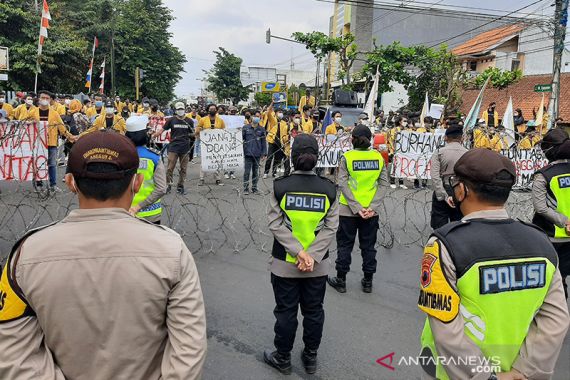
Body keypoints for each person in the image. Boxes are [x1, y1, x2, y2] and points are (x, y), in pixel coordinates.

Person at [0, 131, 207, 379]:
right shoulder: (172, 250)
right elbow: (189, 351)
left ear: (70, 182)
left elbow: (13, 353)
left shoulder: (25, 255)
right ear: (137, 182)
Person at [418, 148, 570, 380]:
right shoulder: (541, 242)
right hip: (517, 370)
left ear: (462, 190)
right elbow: (555, 319)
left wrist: (486, 377)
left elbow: (446, 326)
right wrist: (525, 371)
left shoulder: (445, 244)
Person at [265, 134, 338, 375]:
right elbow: (331, 226)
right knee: (314, 311)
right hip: (317, 266)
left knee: (286, 312)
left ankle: (283, 357)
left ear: (293, 157)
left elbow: (276, 225)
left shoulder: (281, 186)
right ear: (317, 158)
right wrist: (312, 256)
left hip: (285, 264)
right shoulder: (328, 189)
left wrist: (298, 253)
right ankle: (310, 357)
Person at [327, 125, 385, 294]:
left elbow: (342, 183)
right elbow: (383, 184)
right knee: (368, 246)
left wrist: (356, 207)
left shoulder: (347, 157)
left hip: (348, 210)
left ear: (353, 139)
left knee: (345, 245)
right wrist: (371, 207)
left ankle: (341, 280)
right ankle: (368, 281)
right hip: (371, 211)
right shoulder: (378, 157)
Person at [532, 128, 570, 298]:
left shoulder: (543, 175)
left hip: (551, 235)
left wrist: (564, 222)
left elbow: (540, 208)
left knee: (554, 281)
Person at [124, 115, 168, 224]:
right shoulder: (154, 157)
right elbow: (161, 188)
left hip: (124, 211)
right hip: (150, 214)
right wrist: (138, 207)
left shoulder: (120, 156)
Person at [31, 90, 77, 191]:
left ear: (50, 100)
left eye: (47, 98)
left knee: (52, 164)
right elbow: (23, 124)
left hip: (51, 142)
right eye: (43, 98)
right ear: (39, 99)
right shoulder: (32, 112)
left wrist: (70, 137)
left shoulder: (54, 113)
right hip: (37, 143)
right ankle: (38, 184)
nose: (44, 100)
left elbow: (62, 128)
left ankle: (53, 185)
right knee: (37, 164)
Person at [429, 124, 467, 229]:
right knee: (458, 226)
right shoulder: (467, 154)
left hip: (443, 187)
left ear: (446, 137)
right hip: (460, 190)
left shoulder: (439, 152)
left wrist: (443, 196)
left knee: (439, 227)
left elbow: (435, 176)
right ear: (462, 138)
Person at [155, 102, 195, 194]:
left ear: (184, 109)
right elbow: (162, 130)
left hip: (185, 147)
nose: (180, 111)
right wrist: (154, 135)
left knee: (183, 169)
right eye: (178, 109)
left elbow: (193, 133)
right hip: (173, 147)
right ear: (176, 110)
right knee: (170, 168)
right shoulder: (171, 120)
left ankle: (180, 186)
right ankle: (168, 185)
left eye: (182, 109)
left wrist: (194, 134)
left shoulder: (189, 121)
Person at [196, 103, 226, 186]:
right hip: (205, 144)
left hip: (217, 144)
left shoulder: (220, 120)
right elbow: (197, 129)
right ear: (208, 110)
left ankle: (218, 178)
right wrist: (200, 131)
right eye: (211, 109)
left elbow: (224, 130)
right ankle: (201, 178)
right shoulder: (203, 119)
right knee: (204, 161)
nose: (212, 110)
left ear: (216, 110)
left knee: (217, 161)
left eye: (214, 109)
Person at [242, 110, 267, 194]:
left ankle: (254, 188)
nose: (256, 118)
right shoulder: (245, 128)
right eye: (255, 116)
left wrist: (264, 153)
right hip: (248, 153)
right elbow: (241, 139)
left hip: (257, 153)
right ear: (252, 117)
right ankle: (245, 188)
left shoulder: (262, 129)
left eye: (258, 116)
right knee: (247, 172)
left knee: (255, 172)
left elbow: (264, 142)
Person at [264, 103, 289, 179]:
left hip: (280, 142)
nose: (280, 113)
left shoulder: (284, 123)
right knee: (269, 157)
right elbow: (268, 112)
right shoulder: (273, 120)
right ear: (275, 113)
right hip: (272, 141)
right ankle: (266, 172)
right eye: (279, 112)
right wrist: (272, 104)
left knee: (277, 159)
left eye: (281, 112)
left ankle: (274, 172)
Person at [389, 116, 407, 189]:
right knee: (395, 166)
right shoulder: (394, 130)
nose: (406, 122)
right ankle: (392, 181)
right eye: (404, 121)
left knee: (403, 167)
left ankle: (401, 182)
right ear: (400, 122)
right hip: (395, 150)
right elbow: (391, 140)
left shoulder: (407, 130)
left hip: (404, 151)